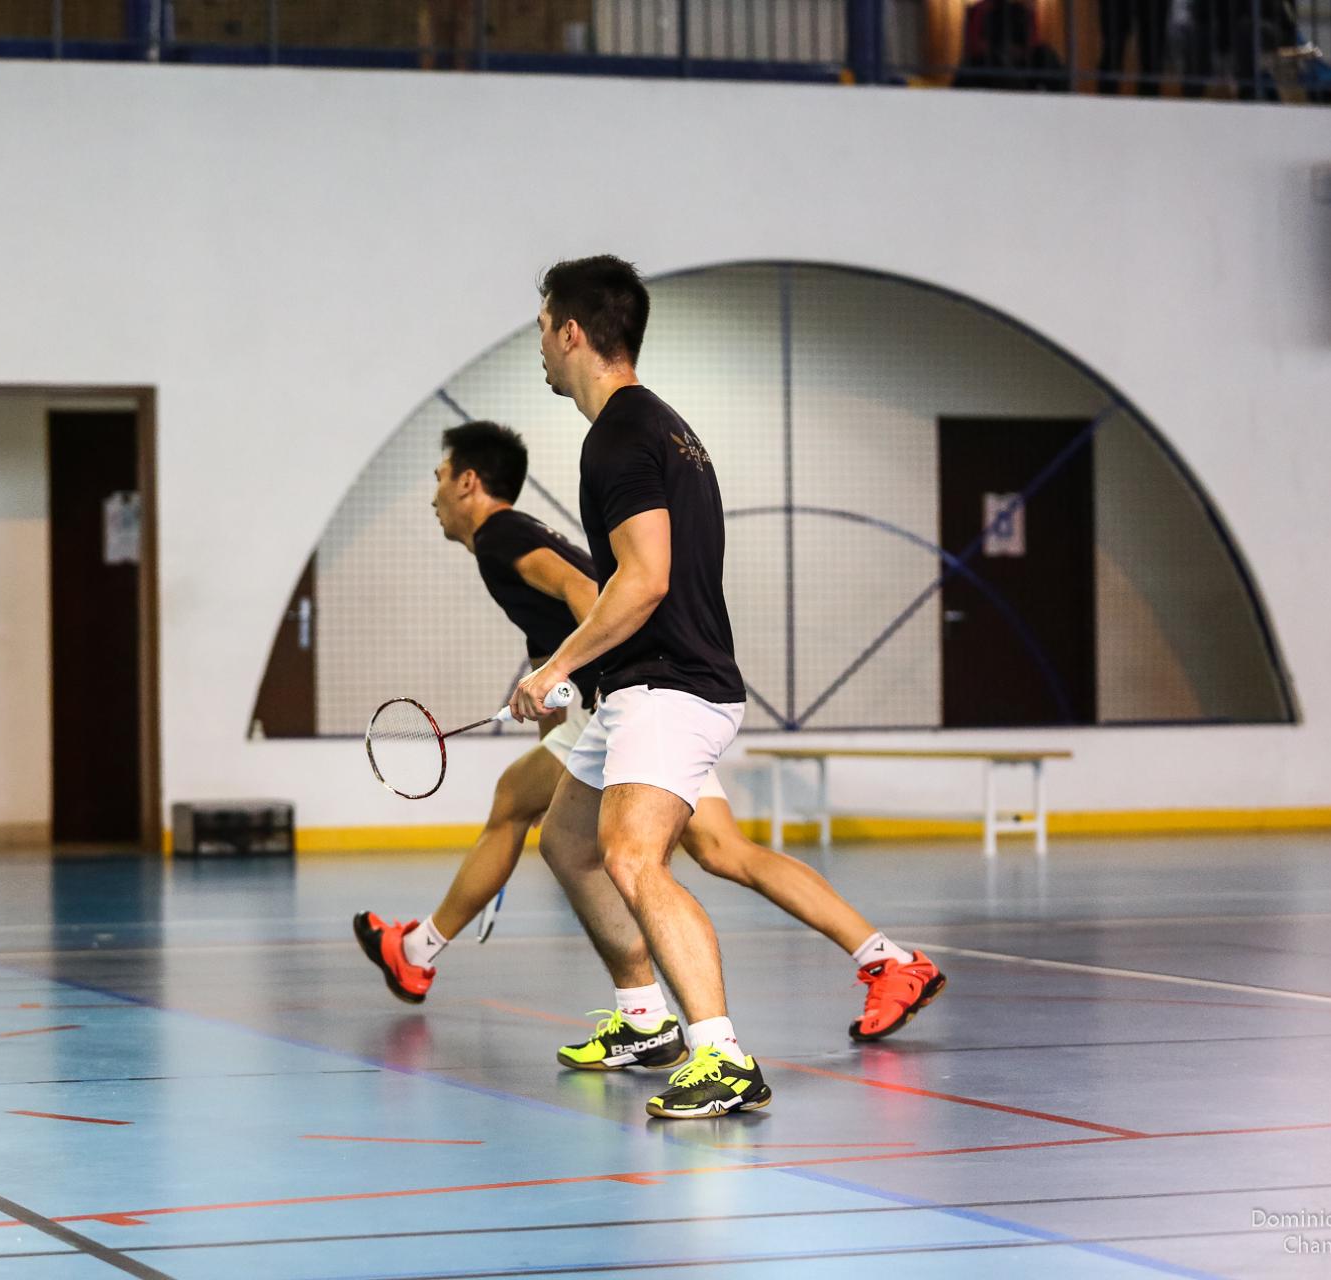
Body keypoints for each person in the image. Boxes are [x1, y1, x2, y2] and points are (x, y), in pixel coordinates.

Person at [355, 420, 944, 1059]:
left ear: (469, 482)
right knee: (721, 849)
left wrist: (589, 682)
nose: (434, 494)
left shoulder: (499, 536)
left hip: (636, 705)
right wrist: (563, 694)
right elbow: (556, 642)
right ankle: (889, 961)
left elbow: (584, 592)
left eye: (439, 477)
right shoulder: (515, 538)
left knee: (517, 804)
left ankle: (421, 953)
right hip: (629, 699)